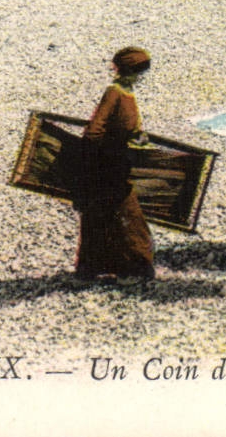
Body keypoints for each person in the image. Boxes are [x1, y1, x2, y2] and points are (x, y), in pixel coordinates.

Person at [74, 46, 155, 283]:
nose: (140, 78)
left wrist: (136, 136)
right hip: (108, 166)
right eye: (137, 72)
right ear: (128, 71)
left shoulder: (126, 92)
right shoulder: (114, 92)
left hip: (115, 163)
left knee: (101, 215)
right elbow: (94, 131)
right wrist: (109, 156)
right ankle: (135, 269)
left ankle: (93, 269)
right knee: (128, 216)